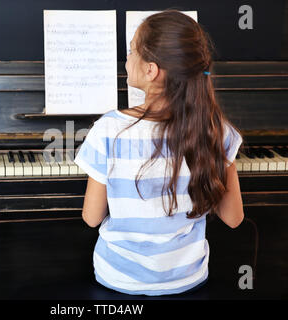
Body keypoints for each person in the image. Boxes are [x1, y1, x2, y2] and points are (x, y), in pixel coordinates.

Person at [73, 9, 244, 296]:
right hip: (187, 279)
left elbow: (91, 217)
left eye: (130, 52)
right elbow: (234, 218)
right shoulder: (216, 130)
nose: (126, 60)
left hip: (119, 278)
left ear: (151, 70)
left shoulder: (109, 129)